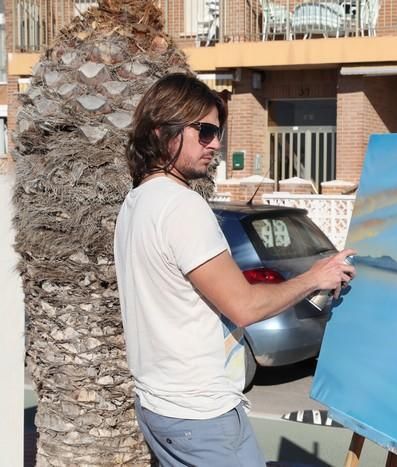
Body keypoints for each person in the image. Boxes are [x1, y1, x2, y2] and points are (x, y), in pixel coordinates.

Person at [114, 73, 355, 467]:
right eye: (204, 131)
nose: (216, 143)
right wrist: (315, 277)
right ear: (162, 132)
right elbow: (244, 306)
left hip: (158, 405)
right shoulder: (181, 206)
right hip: (200, 414)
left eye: (218, 130)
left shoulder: (137, 202)